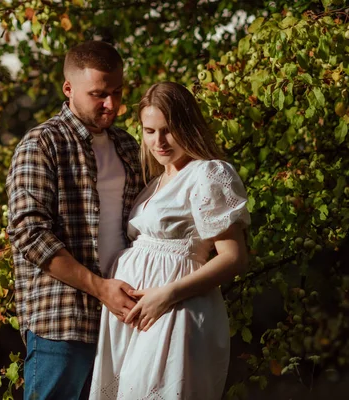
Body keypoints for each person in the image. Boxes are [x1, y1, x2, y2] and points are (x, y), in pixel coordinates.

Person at [89, 82, 251, 399]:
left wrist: (166, 295)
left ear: (188, 127)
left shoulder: (208, 174)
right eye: (149, 131)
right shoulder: (158, 180)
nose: (158, 141)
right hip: (139, 318)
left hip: (176, 312)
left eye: (168, 130)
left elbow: (234, 257)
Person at [6, 41, 143, 400]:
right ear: (68, 89)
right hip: (63, 321)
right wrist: (101, 289)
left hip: (123, 320)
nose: (111, 104)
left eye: (117, 92)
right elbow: (29, 233)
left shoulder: (129, 147)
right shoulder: (41, 144)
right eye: (98, 94)